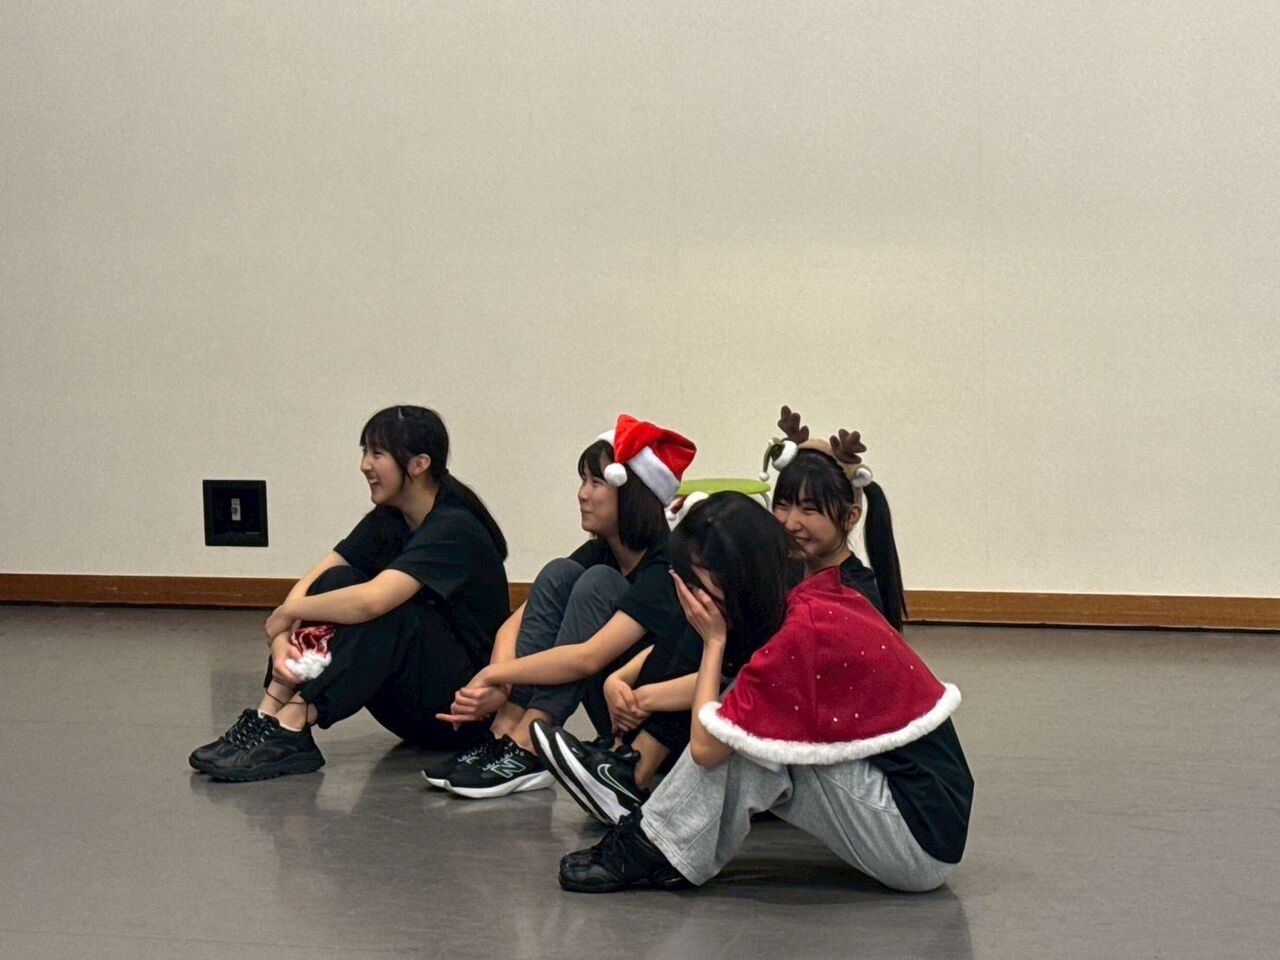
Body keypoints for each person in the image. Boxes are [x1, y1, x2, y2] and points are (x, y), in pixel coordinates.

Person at [557, 492, 973, 894]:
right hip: (922, 817)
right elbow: (725, 695)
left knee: (745, 743)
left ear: (736, 577)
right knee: (741, 717)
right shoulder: (801, 600)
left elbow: (706, 747)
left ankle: (654, 848)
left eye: (696, 582)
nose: (691, 597)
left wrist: (713, 642)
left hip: (917, 843)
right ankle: (655, 837)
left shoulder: (802, 630)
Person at [537, 406, 909, 823]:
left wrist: (645, 697)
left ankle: (632, 770)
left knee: (715, 652)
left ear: (851, 516)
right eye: (783, 505)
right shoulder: (784, 571)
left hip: (802, 744)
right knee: (705, 612)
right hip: (741, 707)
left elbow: (750, 683)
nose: (790, 522)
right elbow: (700, 640)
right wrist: (620, 679)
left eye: (810, 510)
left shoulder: (848, 595)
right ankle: (625, 760)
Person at [188, 405, 509, 782]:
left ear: (419, 464)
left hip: (458, 711)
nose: (365, 465)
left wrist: (288, 614)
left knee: (387, 610)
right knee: (338, 582)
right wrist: (283, 636)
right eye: (365, 452)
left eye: (377, 453)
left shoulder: (454, 526)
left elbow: (373, 601)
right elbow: (320, 577)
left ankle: (294, 722)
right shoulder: (392, 517)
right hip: (410, 698)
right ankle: (269, 714)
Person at [422, 414, 697, 799]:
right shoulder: (602, 550)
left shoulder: (664, 565)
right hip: (609, 707)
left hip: (650, 722)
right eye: (583, 480)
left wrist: (492, 674)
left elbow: (587, 658)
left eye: (596, 482)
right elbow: (513, 625)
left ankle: (532, 741)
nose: (582, 494)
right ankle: (505, 733)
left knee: (597, 583)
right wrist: (500, 685)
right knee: (558, 572)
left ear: (632, 493)